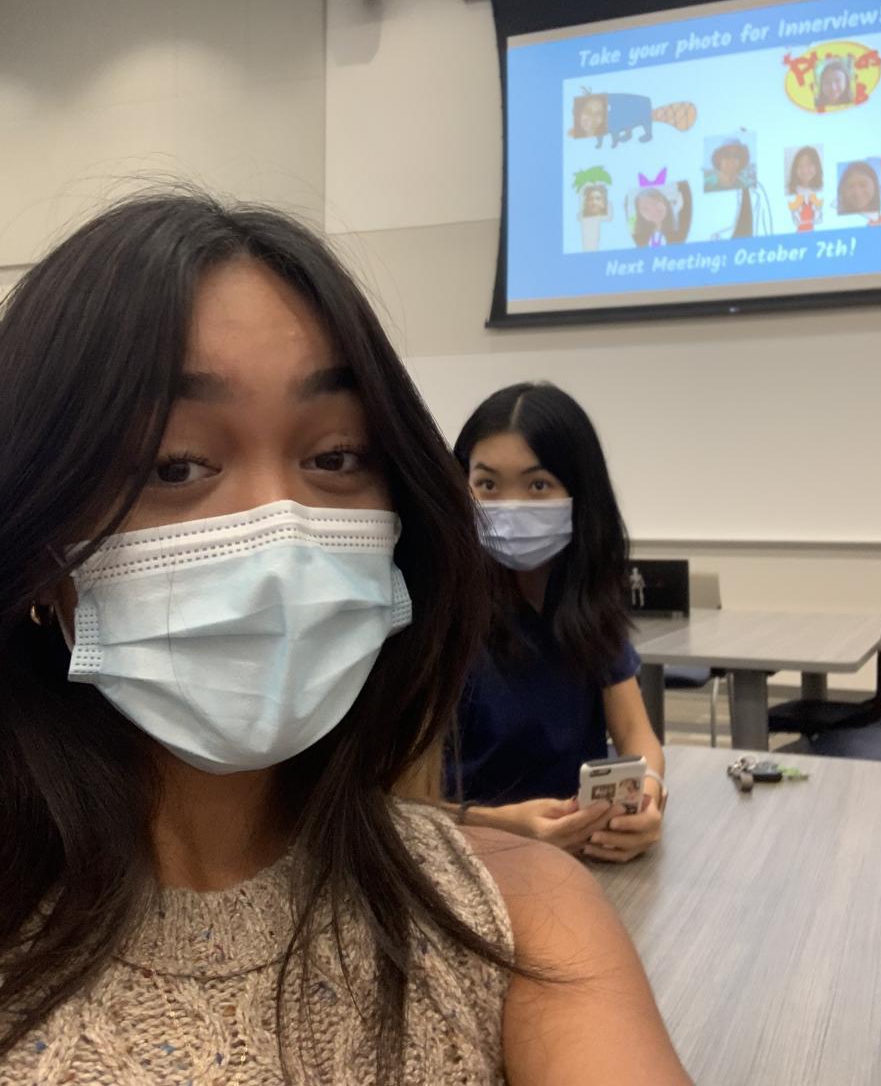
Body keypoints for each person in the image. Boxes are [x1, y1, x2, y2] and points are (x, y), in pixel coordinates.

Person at [0, 194, 690, 1085]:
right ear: (39, 550)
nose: (279, 534)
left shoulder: (519, 915)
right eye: (176, 465)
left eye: (334, 457)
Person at [446, 382, 667, 864]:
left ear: (579, 492)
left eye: (538, 485)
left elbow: (636, 735)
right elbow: (398, 803)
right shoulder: (440, 613)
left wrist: (647, 796)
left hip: (578, 858)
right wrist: (506, 826)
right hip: (467, 863)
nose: (510, 506)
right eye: (487, 485)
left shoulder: (585, 601)